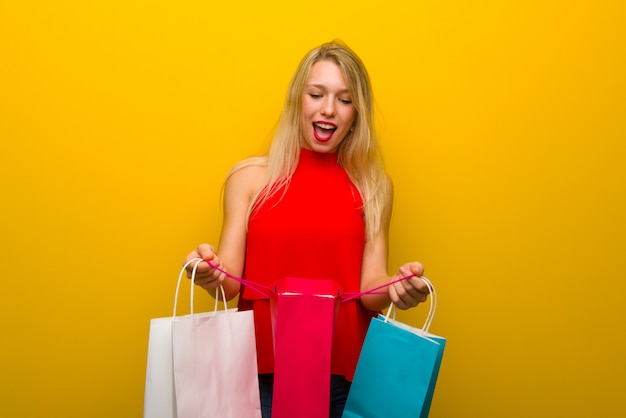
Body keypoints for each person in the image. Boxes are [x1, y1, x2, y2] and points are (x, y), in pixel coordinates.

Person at [184, 39, 431, 418]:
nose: (328, 109)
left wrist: (394, 288)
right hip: (260, 373)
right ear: (297, 99)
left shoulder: (375, 185)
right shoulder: (249, 178)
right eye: (316, 94)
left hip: (344, 379)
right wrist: (207, 271)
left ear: (357, 114)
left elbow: (369, 289)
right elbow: (230, 281)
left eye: (345, 100)